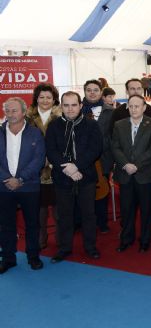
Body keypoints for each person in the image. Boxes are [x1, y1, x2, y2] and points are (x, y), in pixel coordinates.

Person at [45, 92, 102, 263]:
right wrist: (68, 168)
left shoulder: (91, 125)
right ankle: (64, 248)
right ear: (61, 106)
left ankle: (90, 247)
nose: (70, 109)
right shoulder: (54, 126)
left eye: (74, 105)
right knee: (64, 215)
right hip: (62, 177)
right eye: (66, 105)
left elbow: (95, 149)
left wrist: (76, 166)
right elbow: (51, 150)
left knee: (88, 214)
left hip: (86, 176)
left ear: (80, 105)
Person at [0, 98, 46, 274]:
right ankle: (8, 259)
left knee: (32, 224)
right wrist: (7, 179)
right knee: (5, 225)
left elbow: (39, 159)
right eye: (7, 110)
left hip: (29, 186)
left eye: (14, 110)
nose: (10, 114)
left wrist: (20, 179)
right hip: (3, 187)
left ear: (24, 112)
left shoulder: (35, 133)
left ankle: (33, 257)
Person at [111, 95, 151, 253]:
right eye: (131, 106)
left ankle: (145, 240)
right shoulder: (119, 125)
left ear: (144, 107)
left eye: (137, 106)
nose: (133, 109)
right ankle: (126, 239)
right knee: (126, 210)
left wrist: (136, 166)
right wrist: (126, 164)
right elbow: (115, 147)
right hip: (125, 174)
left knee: (146, 210)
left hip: (145, 175)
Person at [26, 83, 61, 249]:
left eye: (49, 97)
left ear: (54, 99)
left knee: (58, 209)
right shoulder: (27, 116)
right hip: (35, 169)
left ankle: (61, 240)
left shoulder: (62, 115)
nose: (45, 100)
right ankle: (41, 239)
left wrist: (53, 159)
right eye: (42, 97)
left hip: (58, 168)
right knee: (38, 209)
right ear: (36, 98)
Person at [83, 79, 114, 234]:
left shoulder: (110, 111)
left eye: (96, 89)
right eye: (89, 90)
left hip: (104, 157)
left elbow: (114, 135)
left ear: (101, 92)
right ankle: (83, 221)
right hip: (82, 159)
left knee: (102, 191)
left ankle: (102, 222)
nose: (92, 92)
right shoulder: (77, 109)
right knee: (83, 192)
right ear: (85, 92)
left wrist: (101, 146)